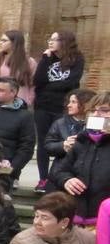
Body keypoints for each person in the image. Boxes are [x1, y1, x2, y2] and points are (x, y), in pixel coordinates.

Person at [32, 30, 84, 191]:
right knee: (43, 143)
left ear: (65, 41)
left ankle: (60, 176)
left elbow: (71, 82)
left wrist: (48, 86)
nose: (50, 42)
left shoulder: (77, 59)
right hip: (43, 107)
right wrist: (45, 59)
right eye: (50, 38)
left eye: (55, 39)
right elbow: (38, 80)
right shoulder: (48, 58)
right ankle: (43, 179)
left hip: (63, 107)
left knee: (64, 141)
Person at [48, 92, 110, 226]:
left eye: (104, 111)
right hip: (77, 218)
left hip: (105, 219)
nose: (97, 114)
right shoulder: (82, 141)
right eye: (93, 110)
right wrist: (67, 180)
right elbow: (59, 170)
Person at [42, 90, 95, 187]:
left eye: (74, 102)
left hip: (86, 175)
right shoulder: (60, 123)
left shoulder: (96, 124)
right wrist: (63, 145)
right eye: (69, 102)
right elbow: (48, 146)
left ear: (86, 103)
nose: (68, 105)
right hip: (61, 173)